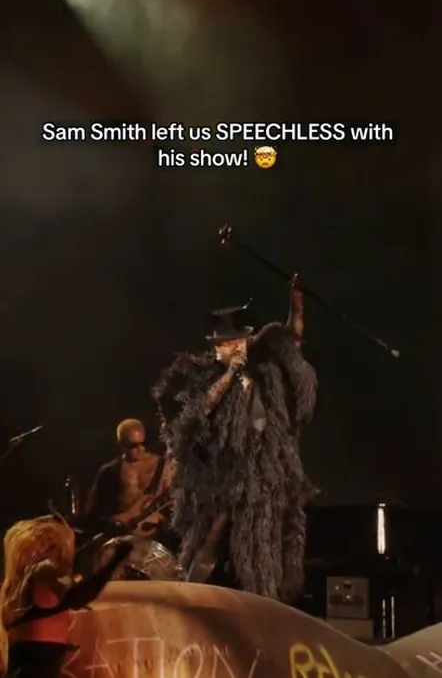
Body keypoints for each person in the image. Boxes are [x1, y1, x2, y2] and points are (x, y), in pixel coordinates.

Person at [153, 276, 318, 603]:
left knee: (261, 560)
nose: (238, 348)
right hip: (219, 485)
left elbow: (293, 339)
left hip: (261, 483)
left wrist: (297, 303)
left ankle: (262, 609)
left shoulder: (263, 374)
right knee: (208, 551)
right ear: (217, 347)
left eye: (241, 341)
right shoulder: (198, 376)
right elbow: (192, 416)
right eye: (230, 344)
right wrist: (229, 375)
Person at [0, 514, 132, 678]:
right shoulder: (42, 573)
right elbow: (79, 597)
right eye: (58, 548)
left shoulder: (18, 584)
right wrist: (115, 560)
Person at [85, 418, 175, 574]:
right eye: (134, 445)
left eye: (143, 443)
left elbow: (176, 505)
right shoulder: (109, 472)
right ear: (121, 445)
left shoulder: (163, 466)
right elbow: (94, 515)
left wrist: (162, 520)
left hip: (156, 546)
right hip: (121, 544)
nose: (141, 449)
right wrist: (121, 521)